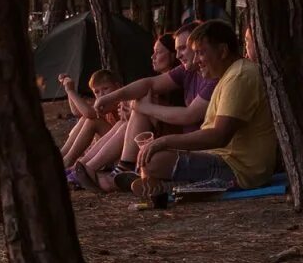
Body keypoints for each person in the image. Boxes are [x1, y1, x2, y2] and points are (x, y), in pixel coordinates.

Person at [116, 20, 278, 201]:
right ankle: (170, 186)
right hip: (222, 159)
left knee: (154, 161)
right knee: (150, 159)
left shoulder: (240, 76)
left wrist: (165, 141)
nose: (196, 60)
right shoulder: (228, 74)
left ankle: (168, 185)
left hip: (238, 169)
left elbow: (219, 136)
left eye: (201, 53)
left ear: (223, 51)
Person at [77, 22, 217, 193]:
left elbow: (189, 115)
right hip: (181, 139)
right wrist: (112, 97)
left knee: (150, 157)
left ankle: (119, 168)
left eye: (183, 49)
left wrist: (142, 107)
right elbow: (149, 83)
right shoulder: (187, 71)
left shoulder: (212, 76)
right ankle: (97, 167)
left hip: (196, 145)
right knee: (139, 105)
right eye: (177, 49)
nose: (179, 54)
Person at [72, 34, 178, 188]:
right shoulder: (162, 81)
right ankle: (84, 167)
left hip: (166, 138)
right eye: (153, 52)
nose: (152, 56)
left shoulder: (177, 82)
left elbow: (170, 117)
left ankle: (95, 168)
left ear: (173, 55)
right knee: (124, 122)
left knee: (125, 119)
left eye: (159, 52)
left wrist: (135, 111)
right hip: (149, 137)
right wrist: (132, 114)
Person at [60, 69, 122, 168]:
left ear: (118, 86)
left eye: (105, 88)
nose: (102, 94)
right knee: (84, 119)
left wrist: (70, 91)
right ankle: (61, 155)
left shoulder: (119, 101)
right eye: (97, 92)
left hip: (122, 147)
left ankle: (67, 161)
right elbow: (78, 112)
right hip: (112, 144)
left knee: (93, 121)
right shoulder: (104, 104)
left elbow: (89, 113)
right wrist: (69, 90)